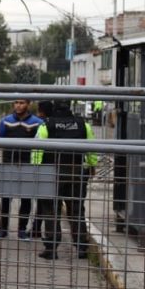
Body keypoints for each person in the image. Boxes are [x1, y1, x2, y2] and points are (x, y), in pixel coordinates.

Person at [31, 100, 97, 260]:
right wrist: (91, 165)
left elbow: (37, 149)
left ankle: (51, 249)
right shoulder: (83, 125)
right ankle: (81, 248)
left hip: (52, 172)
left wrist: (35, 169)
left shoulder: (47, 125)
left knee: (51, 210)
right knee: (76, 210)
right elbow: (92, 148)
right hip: (77, 171)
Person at [0, 99, 43, 240]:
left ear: (28, 104)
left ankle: (22, 230)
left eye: (22, 102)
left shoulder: (37, 122)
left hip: (28, 165)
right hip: (9, 164)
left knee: (26, 198)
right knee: (6, 198)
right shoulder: (5, 121)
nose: (18, 105)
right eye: (16, 102)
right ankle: (2, 229)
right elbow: (0, 139)